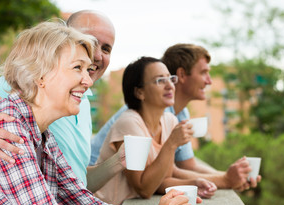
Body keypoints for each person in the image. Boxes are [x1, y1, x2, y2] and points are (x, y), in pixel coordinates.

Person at [0, 21, 201, 205]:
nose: (88, 81)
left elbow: (81, 203)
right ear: (40, 75)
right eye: (77, 68)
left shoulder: (43, 136)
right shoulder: (8, 129)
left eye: (88, 70)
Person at [0, 10, 122, 191]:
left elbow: (77, 185)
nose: (98, 55)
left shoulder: (80, 101)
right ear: (64, 38)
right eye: (90, 41)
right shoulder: (29, 83)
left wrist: (120, 161)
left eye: (106, 48)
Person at [90, 43, 261, 192]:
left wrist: (229, 178)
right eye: (203, 73)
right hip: (98, 184)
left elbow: (174, 171)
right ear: (182, 74)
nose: (209, 81)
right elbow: (144, 187)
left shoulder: (172, 117)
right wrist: (225, 179)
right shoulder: (134, 117)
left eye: (170, 79)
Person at [92, 56, 216, 205]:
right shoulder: (129, 123)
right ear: (139, 92)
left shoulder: (169, 120)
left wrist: (194, 182)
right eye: (160, 81)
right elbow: (143, 189)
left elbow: (163, 178)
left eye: (170, 79)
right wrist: (171, 144)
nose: (170, 85)